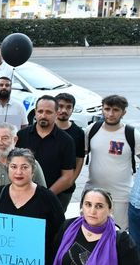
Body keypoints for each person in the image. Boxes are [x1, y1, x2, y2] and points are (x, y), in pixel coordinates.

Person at [47, 188, 140, 265]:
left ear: (110, 210)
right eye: (88, 204)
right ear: (82, 207)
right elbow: (53, 258)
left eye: (99, 206)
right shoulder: (68, 227)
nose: (92, 211)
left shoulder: (122, 241)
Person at [87, 95, 140, 231]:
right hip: (93, 193)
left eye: (116, 110)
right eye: (107, 109)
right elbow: (78, 158)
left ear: (124, 112)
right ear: (102, 109)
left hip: (121, 197)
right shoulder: (92, 130)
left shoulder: (132, 134)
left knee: (118, 236)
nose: (110, 114)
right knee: (91, 233)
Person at [16, 96, 76, 210]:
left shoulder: (66, 141)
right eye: (40, 111)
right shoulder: (21, 136)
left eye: (48, 112)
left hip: (56, 196)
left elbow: (67, 177)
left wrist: (45, 195)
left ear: (56, 113)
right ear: (35, 112)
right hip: (23, 195)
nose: (43, 115)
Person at [54, 93, 85, 207]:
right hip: (42, 184)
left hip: (64, 190)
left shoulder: (78, 133)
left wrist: (71, 181)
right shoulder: (45, 128)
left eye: (68, 107)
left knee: (59, 221)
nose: (64, 110)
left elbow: (79, 159)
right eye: (60, 106)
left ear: (72, 109)